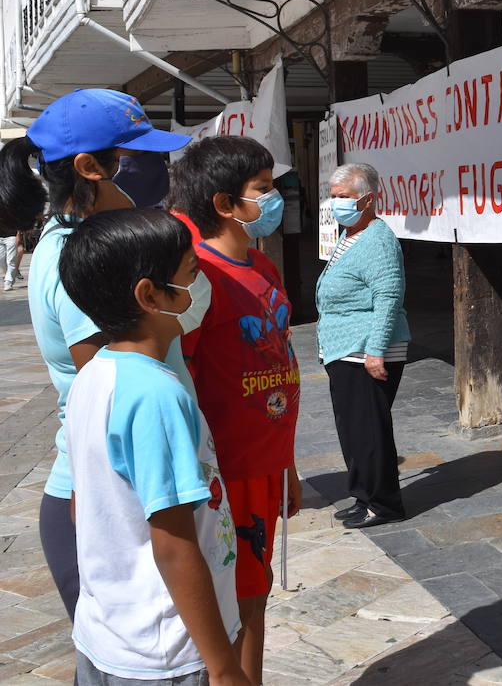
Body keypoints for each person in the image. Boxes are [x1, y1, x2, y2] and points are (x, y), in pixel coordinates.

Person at [0, 88, 190, 618]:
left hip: (123, 490)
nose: (156, 169)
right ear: (89, 168)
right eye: (138, 157)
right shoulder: (80, 259)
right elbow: (115, 394)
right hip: (112, 499)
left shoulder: (90, 241)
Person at [59, 208, 249, 686]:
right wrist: (224, 666)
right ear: (150, 295)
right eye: (192, 272)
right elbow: (173, 545)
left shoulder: (94, 376)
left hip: (108, 637)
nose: (202, 281)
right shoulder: (156, 395)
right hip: (168, 653)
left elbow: (84, 507)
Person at [167, 136, 301, 685]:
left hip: (267, 464)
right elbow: (181, 372)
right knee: (240, 602)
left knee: (257, 592)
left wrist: (287, 463)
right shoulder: (198, 277)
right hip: (227, 472)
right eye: (263, 190)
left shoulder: (263, 268)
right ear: (225, 205)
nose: (275, 200)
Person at [318, 163, 410, 529]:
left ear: (368, 199)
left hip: (365, 349)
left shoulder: (377, 239)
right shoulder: (351, 234)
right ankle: (363, 495)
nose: (335, 204)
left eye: (343, 197)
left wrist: (376, 350)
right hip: (345, 348)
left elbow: (389, 296)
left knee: (369, 430)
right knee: (353, 428)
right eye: (333, 196)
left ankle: (384, 504)